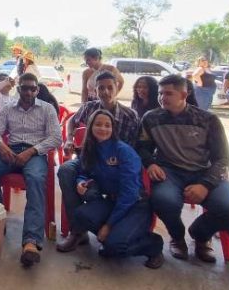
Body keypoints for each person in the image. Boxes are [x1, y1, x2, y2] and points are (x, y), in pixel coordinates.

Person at [137, 74, 229, 264]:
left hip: (204, 172)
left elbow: (223, 159)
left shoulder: (207, 120)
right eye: (160, 93)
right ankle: (177, 237)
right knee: (163, 200)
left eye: (168, 93)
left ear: (184, 94)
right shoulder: (151, 118)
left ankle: (200, 235)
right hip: (170, 172)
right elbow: (142, 147)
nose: (162, 98)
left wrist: (205, 185)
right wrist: (151, 163)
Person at [0, 73, 62, 268]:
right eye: (25, 88)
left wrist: (31, 151)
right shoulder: (8, 108)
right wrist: (1, 146)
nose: (29, 92)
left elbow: (56, 138)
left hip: (35, 154)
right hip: (11, 151)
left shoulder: (47, 108)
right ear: (19, 88)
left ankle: (31, 241)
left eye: (33, 88)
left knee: (35, 178)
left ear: (37, 90)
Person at [66, 109, 164, 269]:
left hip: (135, 205)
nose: (103, 128)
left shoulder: (123, 151)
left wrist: (109, 225)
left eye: (107, 125)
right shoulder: (90, 149)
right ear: (90, 127)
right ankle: (115, 237)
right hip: (112, 201)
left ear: (113, 129)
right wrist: (81, 181)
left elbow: (130, 194)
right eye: (98, 124)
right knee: (80, 215)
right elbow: (83, 172)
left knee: (115, 246)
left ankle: (153, 244)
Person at [58, 71, 140, 252]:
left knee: (114, 243)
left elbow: (133, 151)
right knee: (65, 170)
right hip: (90, 160)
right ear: (95, 90)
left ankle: (101, 214)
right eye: (101, 88)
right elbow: (72, 120)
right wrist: (69, 139)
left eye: (110, 87)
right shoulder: (89, 107)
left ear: (117, 88)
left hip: (116, 167)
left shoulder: (130, 115)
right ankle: (78, 231)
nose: (105, 92)